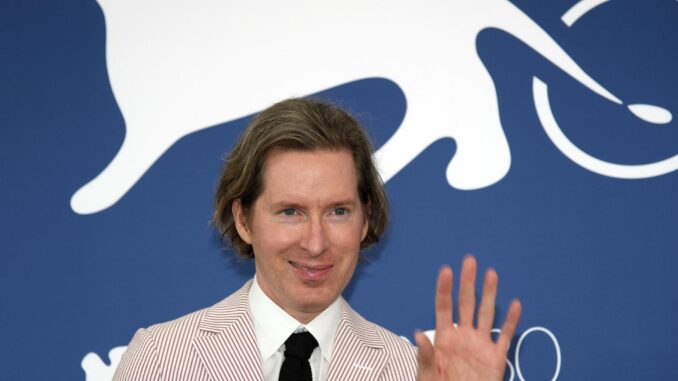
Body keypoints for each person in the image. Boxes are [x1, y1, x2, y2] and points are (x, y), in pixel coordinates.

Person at [113, 98, 522, 381]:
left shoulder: (410, 370)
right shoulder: (162, 358)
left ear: (365, 220)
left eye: (338, 211)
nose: (315, 242)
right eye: (290, 212)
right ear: (243, 220)